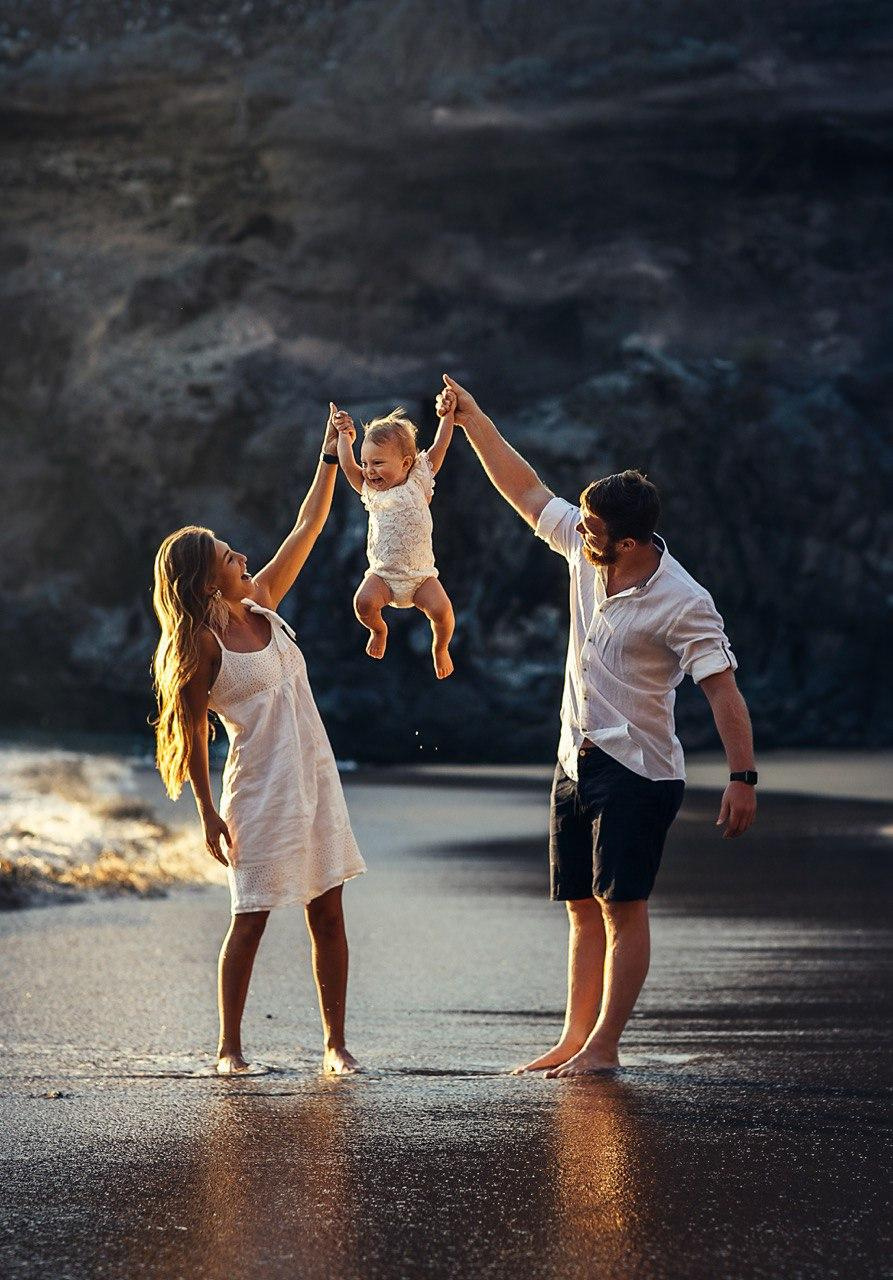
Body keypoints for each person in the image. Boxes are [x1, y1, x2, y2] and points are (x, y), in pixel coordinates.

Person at [438, 374, 757, 1077]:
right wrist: (474, 418)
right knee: (580, 910)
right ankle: (571, 1040)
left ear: (634, 541)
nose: (578, 534)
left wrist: (741, 778)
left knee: (622, 910)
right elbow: (525, 492)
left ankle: (604, 1047)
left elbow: (722, 690)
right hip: (574, 761)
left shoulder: (683, 602)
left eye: (593, 530)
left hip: (639, 772)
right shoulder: (587, 554)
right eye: (580, 524)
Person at [151, 404, 367, 1076]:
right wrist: (207, 816)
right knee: (250, 917)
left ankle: (335, 1045)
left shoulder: (263, 600)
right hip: (261, 789)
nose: (240, 556)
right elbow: (190, 734)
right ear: (205, 578)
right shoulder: (199, 646)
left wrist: (331, 451)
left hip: (315, 778)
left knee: (327, 912)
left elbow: (309, 523)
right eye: (226, 556)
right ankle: (229, 1050)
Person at [335, 393, 457, 678]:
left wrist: (447, 416)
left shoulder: (418, 482)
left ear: (405, 463)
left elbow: (440, 446)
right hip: (383, 577)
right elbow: (347, 465)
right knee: (362, 604)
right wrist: (343, 435)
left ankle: (440, 647)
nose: (368, 471)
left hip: (421, 577)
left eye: (377, 463)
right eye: (365, 463)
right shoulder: (371, 493)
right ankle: (378, 630)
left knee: (442, 613)